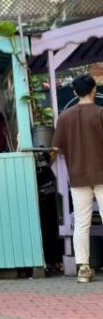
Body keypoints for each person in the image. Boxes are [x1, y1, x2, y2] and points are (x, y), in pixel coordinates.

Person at [52, 74, 103, 283]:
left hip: (77, 176)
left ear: (74, 92)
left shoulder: (64, 117)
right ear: (93, 90)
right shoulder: (100, 113)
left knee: (81, 223)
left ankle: (83, 268)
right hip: (102, 173)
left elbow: (55, 149)